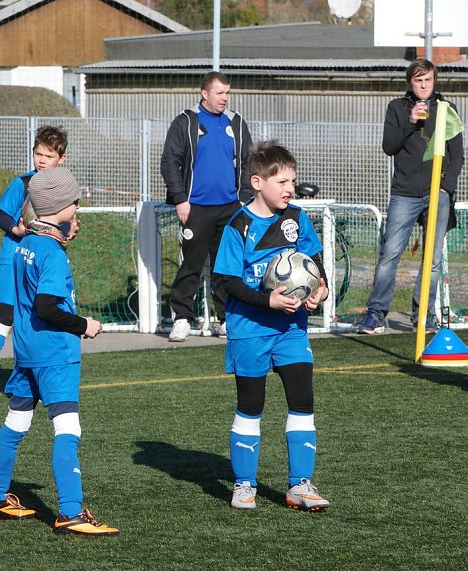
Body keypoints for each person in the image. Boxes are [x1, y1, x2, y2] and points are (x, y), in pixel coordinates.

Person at [0, 167, 118, 535]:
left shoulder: (24, 244)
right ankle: (71, 512)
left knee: (16, 424)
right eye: (75, 201)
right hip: (55, 353)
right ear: (61, 206)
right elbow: (46, 307)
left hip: (26, 352)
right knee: (68, 427)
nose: (78, 207)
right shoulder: (52, 253)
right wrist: (84, 324)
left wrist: (60, 235)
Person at [213, 141, 330, 511]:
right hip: (250, 329)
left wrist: (321, 290)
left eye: (292, 181)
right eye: (281, 182)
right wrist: (268, 301)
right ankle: (244, 485)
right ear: (257, 182)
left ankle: (300, 484)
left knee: (303, 399)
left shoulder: (296, 218)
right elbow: (227, 282)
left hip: (291, 328)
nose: (289, 189)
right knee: (251, 405)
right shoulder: (239, 225)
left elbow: (314, 263)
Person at [359, 58, 464, 334]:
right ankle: (376, 314)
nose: (424, 85)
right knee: (390, 254)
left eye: (428, 80)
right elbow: (389, 147)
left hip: (437, 193)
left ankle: (423, 315)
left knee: (433, 259)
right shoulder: (397, 107)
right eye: (418, 80)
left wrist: (446, 187)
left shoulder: (447, 109)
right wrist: (410, 121)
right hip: (404, 193)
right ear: (410, 83)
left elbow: (457, 155)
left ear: (434, 81)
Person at [0, 126, 69, 404]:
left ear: (61, 159)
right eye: (38, 154)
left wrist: (67, 231)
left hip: (41, 262)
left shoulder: (63, 189)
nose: (41, 160)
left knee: (35, 318)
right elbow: (1, 216)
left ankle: (27, 377)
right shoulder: (23, 184)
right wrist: (16, 229)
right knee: (7, 314)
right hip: (14, 257)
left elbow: (62, 224)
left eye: (48, 156)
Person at [161, 71, 253, 342]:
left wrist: (243, 198)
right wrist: (181, 199)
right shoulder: (186, 121)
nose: (225, 98)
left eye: (227, 93)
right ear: (204, 93)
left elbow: (248, 161)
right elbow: (169, 162)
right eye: (219, 93)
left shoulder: (236, 122)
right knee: (190, 265)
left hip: (230, 208)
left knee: (225, 267)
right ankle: (181, 319)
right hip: (196, 208)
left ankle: (225, 319)